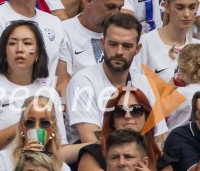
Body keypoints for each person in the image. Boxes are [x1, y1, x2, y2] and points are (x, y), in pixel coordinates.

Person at [66, 13, 166, 143]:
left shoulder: (146, 83)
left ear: (137, 48)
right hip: (97, 160)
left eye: (127, 46)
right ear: (102, 44)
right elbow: (91, 140)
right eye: (113, 44)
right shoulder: (84, 81)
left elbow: (160, 137)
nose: (119, 51)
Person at [0, 21, 67, 156]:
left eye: (27, 43)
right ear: (4, 52)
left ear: (37, 54)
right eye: (12, 43)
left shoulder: (49, 93)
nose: (19, 49)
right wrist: (24, 124)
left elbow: (60, 147)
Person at [58, 0, 126, 77]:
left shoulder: (124, 35)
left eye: (119, 8)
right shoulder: (63, 31)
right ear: (89, 0)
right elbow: (62, 83)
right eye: (110, 7)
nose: (116, 13)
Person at [77, 89, 161, 171]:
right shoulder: (94, 153)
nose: (127, 116)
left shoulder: (158, 156)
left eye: (136, 110)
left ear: (146, 117)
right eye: (120, 111)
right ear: (112, 120)